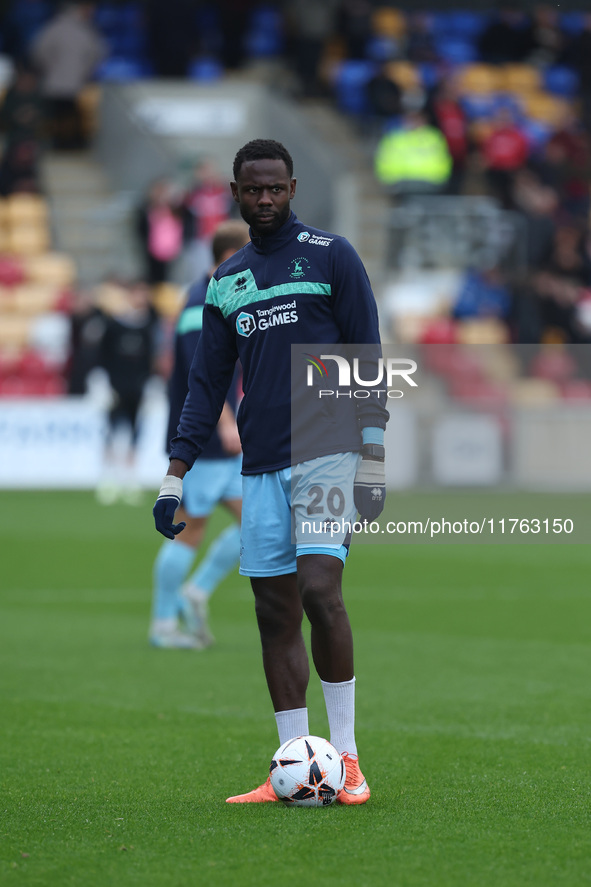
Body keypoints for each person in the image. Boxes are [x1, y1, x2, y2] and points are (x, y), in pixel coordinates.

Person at [152, 139, 389, 804]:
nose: (264, 200)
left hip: (328, 449)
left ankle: (344, 758)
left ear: (290, 188)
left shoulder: (331, 255)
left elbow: (364, 353)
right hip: (259, 463)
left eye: (274, 189)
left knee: (319, 588)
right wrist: (175, 474)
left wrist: (371, 453)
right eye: (252, 190)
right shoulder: (226, 280)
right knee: (272, 610)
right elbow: (205, 386)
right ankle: (291, 757)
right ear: (234, 192)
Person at [149, 220, 250, 650]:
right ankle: (163, 625)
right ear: (230, 256)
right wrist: (226, 422)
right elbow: (198, 376)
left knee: (265, 523)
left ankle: (197, 592)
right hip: (203, 442)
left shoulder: (225, 297)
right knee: (192, 529)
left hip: (224, 442)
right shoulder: (197, 303)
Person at [29, 1, 106, 150]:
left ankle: (62, 144)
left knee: (64, 115)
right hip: (69, 83)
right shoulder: (83, 30)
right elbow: (98, 54)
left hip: (60, 82)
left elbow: (38, 52)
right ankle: (64, 145)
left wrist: (49, 68)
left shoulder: (56, 27)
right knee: (63, 116)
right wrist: (85, 71)